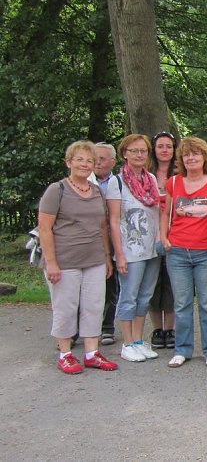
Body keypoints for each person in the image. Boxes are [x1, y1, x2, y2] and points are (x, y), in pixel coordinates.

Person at [39, 140, 118, 374]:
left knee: (94, 305)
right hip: (65, 260)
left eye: (90, 160)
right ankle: (65, 354)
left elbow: (102, 226)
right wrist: (51, 262)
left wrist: (106, 257)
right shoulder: (57, 190)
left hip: (93, 259)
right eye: (80, 159)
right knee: (66, 306)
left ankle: (92, 352)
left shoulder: (95, 191)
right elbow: (45, 228)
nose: (85, 164)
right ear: (69, 162)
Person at [160, 136, 207, 368]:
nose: (191, 158)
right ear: (182, 159)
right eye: (186, 155)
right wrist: (163, 237)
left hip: (206, 252)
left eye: (195, 154)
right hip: (177, 251)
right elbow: (165, 211)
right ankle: (182, 349)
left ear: (204, 157)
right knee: (182, 303)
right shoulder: (174, 182)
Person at [110, 134, 161, 362]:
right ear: (124, 154)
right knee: (129, 296)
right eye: (134, 151)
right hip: (130, 250)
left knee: (145, 296)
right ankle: (127, 343)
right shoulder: (117, 182)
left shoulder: (150, 178)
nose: (139, 155)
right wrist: (118, 254)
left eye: (143, 151)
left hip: (151, 248)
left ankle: (139, 340)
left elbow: (157, 211)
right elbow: (112, 220)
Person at [148, 132, 177, 350]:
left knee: (173, 284)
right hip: (149, 236)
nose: (165, 150)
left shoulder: (180, 174)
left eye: (169, 146)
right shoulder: (146, 175)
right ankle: (157, 328)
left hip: (174, 235)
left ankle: (170, 328)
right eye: (160, 146)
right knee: (152, 283)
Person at [93, 142, 121, 346]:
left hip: (114, 240)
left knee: (111, 286)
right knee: (86, 288)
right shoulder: (82, 182)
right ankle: (76, 330)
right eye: (95, 158)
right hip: (89, 241)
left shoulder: (119, 182)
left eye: (102, 158)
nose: (97, 163)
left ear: (113, 161)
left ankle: (107, 328)